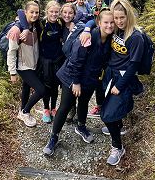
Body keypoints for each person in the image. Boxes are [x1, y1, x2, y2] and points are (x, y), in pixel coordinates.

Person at [43, 9, 115, 156]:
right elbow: (75, 60)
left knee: (83, 102)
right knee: (65, 106)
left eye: (112, 22)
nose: (109, 25)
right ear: (99, 23)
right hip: (72, 76)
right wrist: (75, 82)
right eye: (106, 22)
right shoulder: (88, 37)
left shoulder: (110, 39)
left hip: (90, 78)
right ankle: (53, 136)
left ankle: (81, 126)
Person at [100, 0, 144, 166]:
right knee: (106, 107)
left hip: (123, 79)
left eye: (121, 18)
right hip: (110, 74)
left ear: (129, 16)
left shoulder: (135, 37)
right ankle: (117, 127)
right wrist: (88, 28)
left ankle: (117, 147)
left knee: (107, 115)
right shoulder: (117, 30)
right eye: (116, 18)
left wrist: (120, 85)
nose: (118, 21)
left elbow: (134, 65)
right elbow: (97, 20)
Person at [7, 1, 45, 128]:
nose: (34, 15)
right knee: (41, 90)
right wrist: (12, 72)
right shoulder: (16, 30)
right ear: (26, 13)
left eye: (37, 12)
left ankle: (21, 110)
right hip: (23, 66)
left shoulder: (34, 26)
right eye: (32, 12)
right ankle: (26, 111)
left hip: (33, 64)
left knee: (26, 87)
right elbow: (11, 52)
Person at [38, 1, 64, 123]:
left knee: (55, 85)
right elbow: (22, 16)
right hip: (45, 60)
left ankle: (54, 108)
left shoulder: (61, 23)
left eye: (56, 12)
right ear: (47, 12)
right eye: (51, 12)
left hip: (57, 59)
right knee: (46, 85)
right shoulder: (42, 24)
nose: (54, 14)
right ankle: (46, 109)